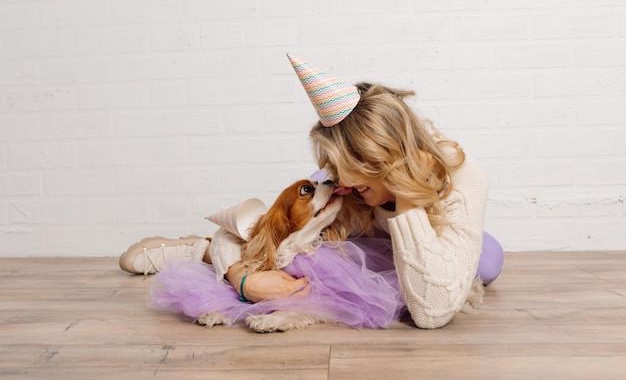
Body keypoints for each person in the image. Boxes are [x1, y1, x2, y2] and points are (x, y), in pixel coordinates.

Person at [120, 53, 494, 329]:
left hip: (425, 229)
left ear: (384, 158)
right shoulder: (343, 187)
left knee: (489, 261)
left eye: (352, 170)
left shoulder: (463, 178)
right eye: (335, 169)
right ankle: (194, 249)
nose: (341, 182)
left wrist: (408, 201)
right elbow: (257, 229)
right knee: (292, 252)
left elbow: (431, 312)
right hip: (370, 240)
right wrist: (241, 277)